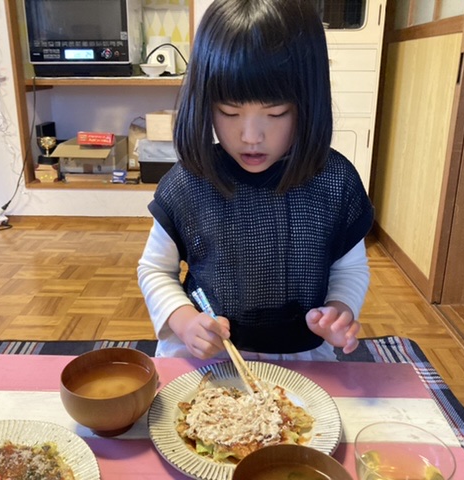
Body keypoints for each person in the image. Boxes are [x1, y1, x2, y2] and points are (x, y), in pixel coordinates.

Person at [137, 0, 374, 361]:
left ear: (309, 103)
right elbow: (155, 269)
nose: (250, 136)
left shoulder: (333, 181)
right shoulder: (190, 181)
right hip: (207, 353)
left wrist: (339, 310)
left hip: (300, 356)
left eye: (276, 113)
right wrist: (183, 320)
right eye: (229, 112)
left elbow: (350, 268)